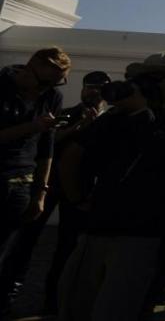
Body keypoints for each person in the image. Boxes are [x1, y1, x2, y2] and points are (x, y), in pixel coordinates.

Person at [58, 51, 165, 321]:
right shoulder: (120, 116)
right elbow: (75, 153)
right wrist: (77, 199)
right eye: (144, 79)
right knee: (76, 305)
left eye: (156, 79)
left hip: (145, 231)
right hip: (99, 224)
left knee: (118, 308)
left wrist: (143, 114)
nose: (147, 85)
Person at [0, 70, 107, 316]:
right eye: (89, 86)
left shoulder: (108, 120)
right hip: (51, 184)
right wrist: (79, 127)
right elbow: (46, 143)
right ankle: (7, 294)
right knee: (25, 241)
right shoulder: (66, 112)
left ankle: (55, 299)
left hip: (79, 188)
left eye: (99, 88)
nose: (93, 92)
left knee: (67, 246)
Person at [0, 46, 70, 273]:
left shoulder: (51, 97)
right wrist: (32, 127)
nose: (47, 90)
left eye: (57, 83)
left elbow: (46, 149)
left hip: (21, 185)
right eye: (46, 83)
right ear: (31, 69)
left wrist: (40, 193)